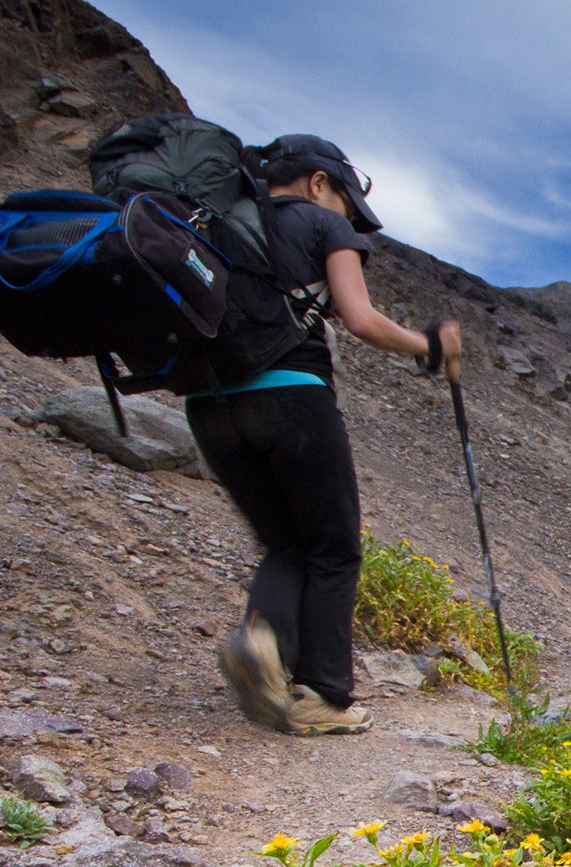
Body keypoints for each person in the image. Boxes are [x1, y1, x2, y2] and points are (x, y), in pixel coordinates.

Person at [188, 134, 461, 735]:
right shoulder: (322, 225)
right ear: (318, 182)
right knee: (334, 548)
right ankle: (325, 698)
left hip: (208, 407)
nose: (349, 218)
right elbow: (360, 319)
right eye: (345, 201)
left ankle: (263, 642)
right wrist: (431, 346)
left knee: (286, 544)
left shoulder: (208, 222)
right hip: (292, 399)